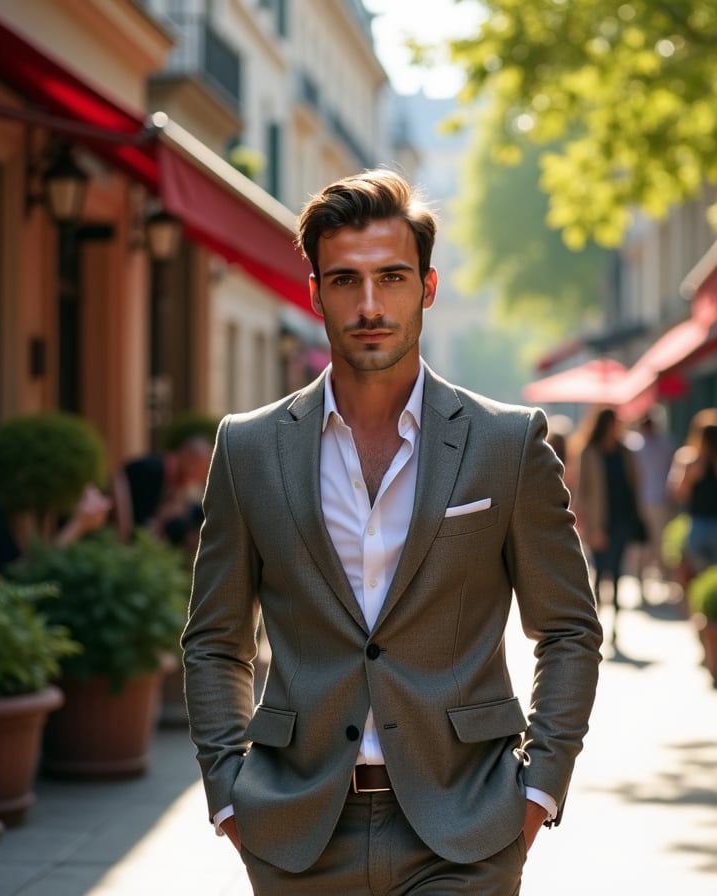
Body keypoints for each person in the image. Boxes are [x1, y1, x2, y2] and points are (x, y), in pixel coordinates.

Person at [181, 169, 603, 894]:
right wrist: (228, 793)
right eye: (345, 280)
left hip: (465, 830)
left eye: (393, 277)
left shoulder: (507, 444)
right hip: (297, 833)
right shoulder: (249, 449)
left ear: (428, 287)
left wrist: (538, 791)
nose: (370, 305)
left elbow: (568, 629)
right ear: (315, 293)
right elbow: (216, 639)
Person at [574, 405, 644, 646]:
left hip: (622, 521)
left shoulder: (625, 452)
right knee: (598, 575)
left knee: (616, 574)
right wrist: (588, 528)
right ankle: (594, 625)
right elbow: (581, 492)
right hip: (599, 524)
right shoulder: (589, 452)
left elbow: (634, 486)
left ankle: (614, 627)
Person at [668, 408, 717, 589]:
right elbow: (678, 493)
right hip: (703, 522)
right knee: (705, 574)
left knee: (712, 574)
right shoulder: (689, 459)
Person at [111, 436, 212, 548]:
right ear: (188, 458)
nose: (201, 477)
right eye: (202, 468)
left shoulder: (172, 479)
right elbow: (141, 524)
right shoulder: (153, 471)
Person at [627, 407, 677, 596]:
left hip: (658, 500)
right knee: (644, 545)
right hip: (645, 501)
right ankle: (644, 582)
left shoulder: (664, 444)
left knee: (660, 543)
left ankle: (664, 579)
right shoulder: (634, 446)